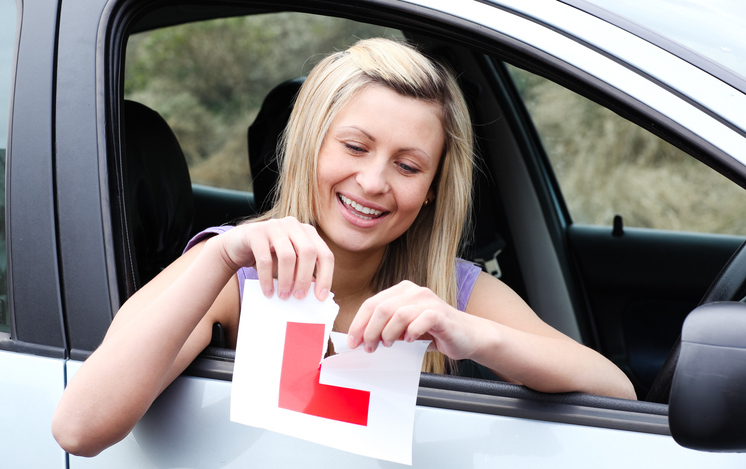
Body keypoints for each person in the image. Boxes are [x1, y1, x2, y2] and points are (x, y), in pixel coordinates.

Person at [52, 38, 636, 457]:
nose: (375, 182)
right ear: (309, 146)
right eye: (355, 147)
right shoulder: (236, 274)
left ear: (432, 191)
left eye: (408, 166)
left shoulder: (447, 286)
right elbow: (80, 429)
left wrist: (470, 332)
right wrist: (219, 258)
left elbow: (616, 392)